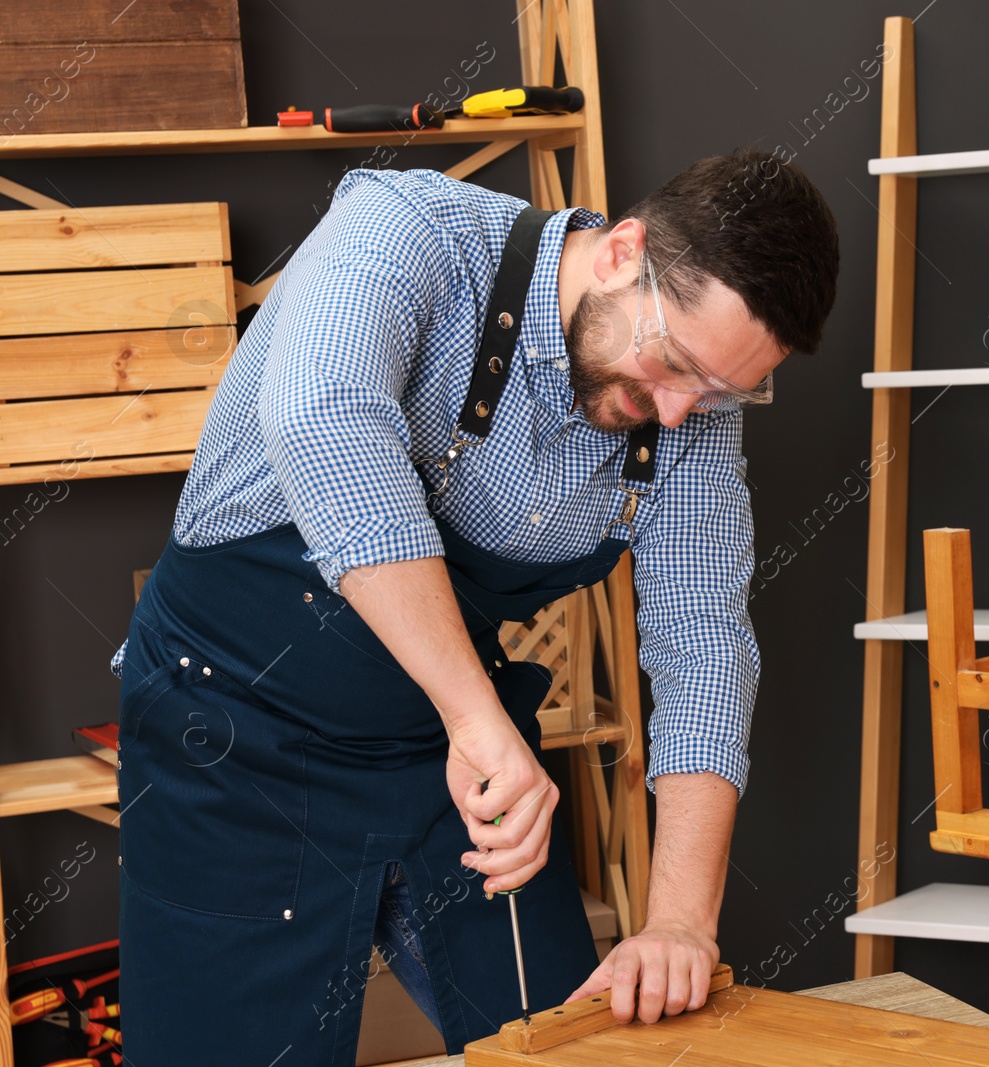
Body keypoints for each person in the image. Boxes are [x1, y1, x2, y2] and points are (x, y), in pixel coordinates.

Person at [111, 148, 839, 1063]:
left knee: (571, 1042)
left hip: (446, 753)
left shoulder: (688, 412)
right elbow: (323, 420)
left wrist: (682, 923)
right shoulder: (407, 232)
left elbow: (704, 646)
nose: (684, 412)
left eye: (724, 391)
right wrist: (477, 718)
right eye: (676, 363)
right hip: (230, 730)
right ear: (623, 251)